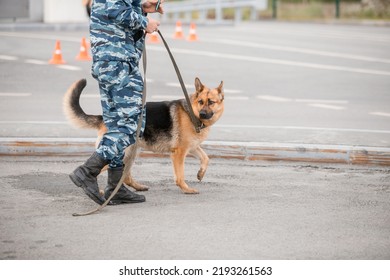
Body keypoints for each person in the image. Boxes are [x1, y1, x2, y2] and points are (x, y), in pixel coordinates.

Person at [69, 0, 164, 205]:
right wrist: (143, 21)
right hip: (119, 63)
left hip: (112, 62)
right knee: (130, 126)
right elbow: (114, 9)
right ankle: (87, 171)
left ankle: (116, 187)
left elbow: (116, 8)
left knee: (115, 125)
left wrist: (142, 7)